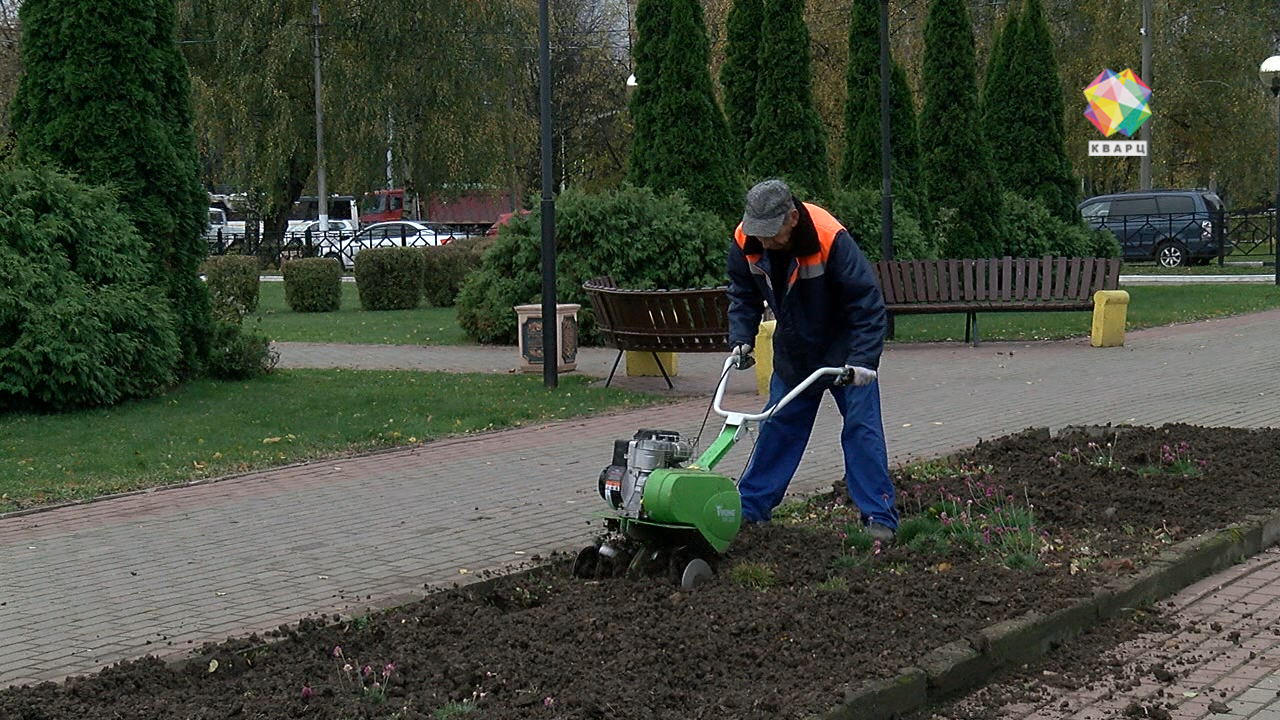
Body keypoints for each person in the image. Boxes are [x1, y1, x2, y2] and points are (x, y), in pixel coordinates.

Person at [726, 178, 898, 543]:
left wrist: (864, 361)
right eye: (759, 233)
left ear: (791, 217)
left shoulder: (828, 237)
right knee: (777, 428)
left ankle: (879, 517)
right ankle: (751, 510)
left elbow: (866, 302)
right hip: (795, 351)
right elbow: (742, 293)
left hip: (844, 350)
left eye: (771, 234)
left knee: (861, 431)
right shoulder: (746, 239)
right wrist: (741, 339)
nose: (765, 242)